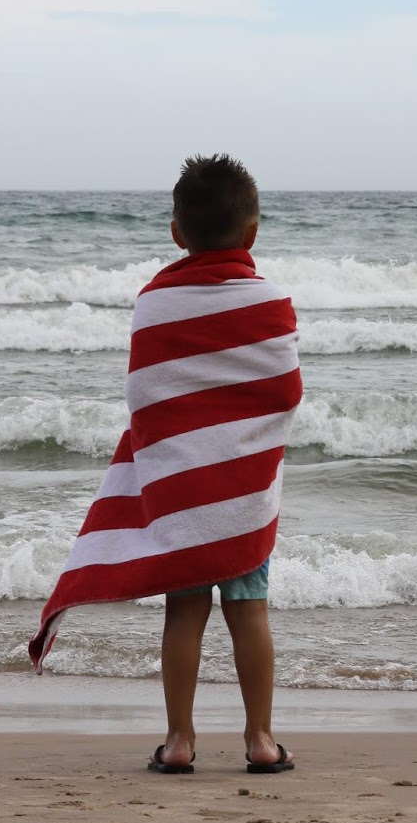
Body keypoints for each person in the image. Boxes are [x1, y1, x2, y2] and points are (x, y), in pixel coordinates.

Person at [29, 154, 302, 775]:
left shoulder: (155, 303)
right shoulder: (271, 300)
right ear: (253, 232)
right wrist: (246, 440)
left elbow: (147, 395)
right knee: (250, 609)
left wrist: (175, 452)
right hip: (243, 486)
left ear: (177, 232)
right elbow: (284, 390)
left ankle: (179, 741)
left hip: (182, 487)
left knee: (185, 610)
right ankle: (261, 741)